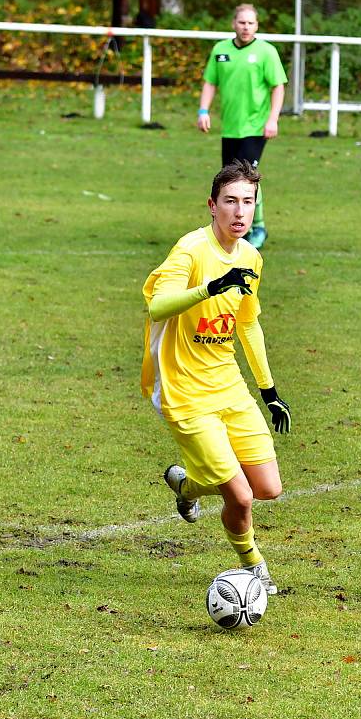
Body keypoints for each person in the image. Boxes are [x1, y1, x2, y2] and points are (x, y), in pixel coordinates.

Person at [140, 160, 291, 595]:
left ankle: (185, 484)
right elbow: (158, 306)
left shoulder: (251, 257)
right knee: (240, 496)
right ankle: (253, 564)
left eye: (248, 202)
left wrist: (269, 390)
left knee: (267, 488)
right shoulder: (190, 250)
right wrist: (211, 287)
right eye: (230, 202)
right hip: (184, 389)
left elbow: (247, 324)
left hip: (228, 384)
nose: (239, 212)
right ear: (212, 205)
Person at [197, 3, 287, 250]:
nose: (246, 27)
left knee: (247, 179)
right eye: (242, 22)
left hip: (255, 127)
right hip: (230, 128)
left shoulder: (266, 52)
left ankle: (257, 227)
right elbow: (210, 82)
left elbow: (278, 86)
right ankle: (229, 228)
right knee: (229, 180)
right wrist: (203, 110)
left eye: (251, 23)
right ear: (233, 24)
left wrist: (273, 118)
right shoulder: (221, 50)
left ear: (256, 25)